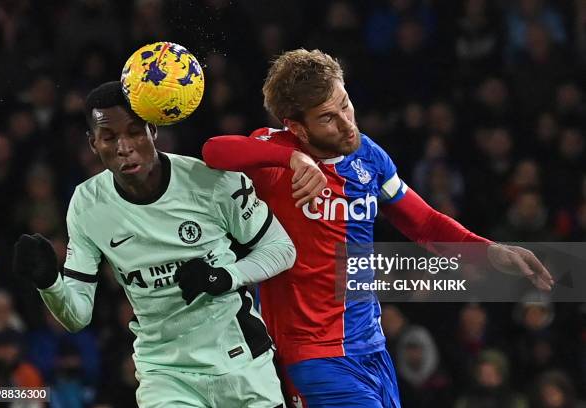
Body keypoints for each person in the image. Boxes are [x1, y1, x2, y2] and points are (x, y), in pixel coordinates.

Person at [202, 49, 554, 408]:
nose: (346, 123)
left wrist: (489, 250)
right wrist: (291, 157)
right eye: (327, 118)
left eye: (345, 104)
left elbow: (425, 223)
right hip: (312, 353)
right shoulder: (273, 156)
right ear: (296, 126)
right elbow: (214, 151)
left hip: (371, 345)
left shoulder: (369, 157)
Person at [13, 81, 296, 408]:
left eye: (134, 132)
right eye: (109, 137)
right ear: (93, 144)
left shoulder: (210, 181)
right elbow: (76, 316)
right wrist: (49, 283)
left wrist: (223, 276)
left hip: (241, 360)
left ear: (153, 131)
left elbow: (281, 249)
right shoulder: (87, 204)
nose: (124, 147)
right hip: (165, 372)